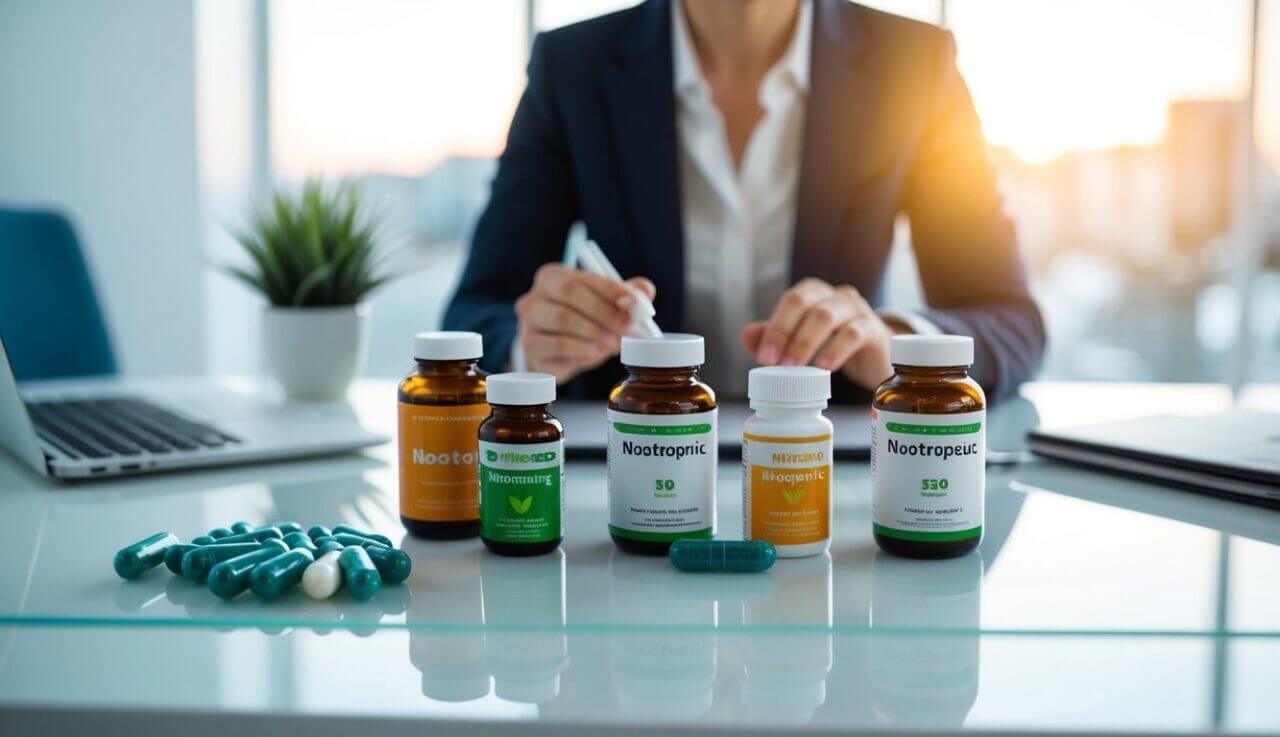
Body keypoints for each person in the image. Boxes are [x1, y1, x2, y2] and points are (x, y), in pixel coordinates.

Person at [443, 0, 1044, 402]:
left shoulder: (915, 67)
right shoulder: (571, 69)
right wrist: (531, 346)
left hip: (846, 489)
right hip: (620, 489)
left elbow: (1010, 321)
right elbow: (475, 315)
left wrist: (893, 347)